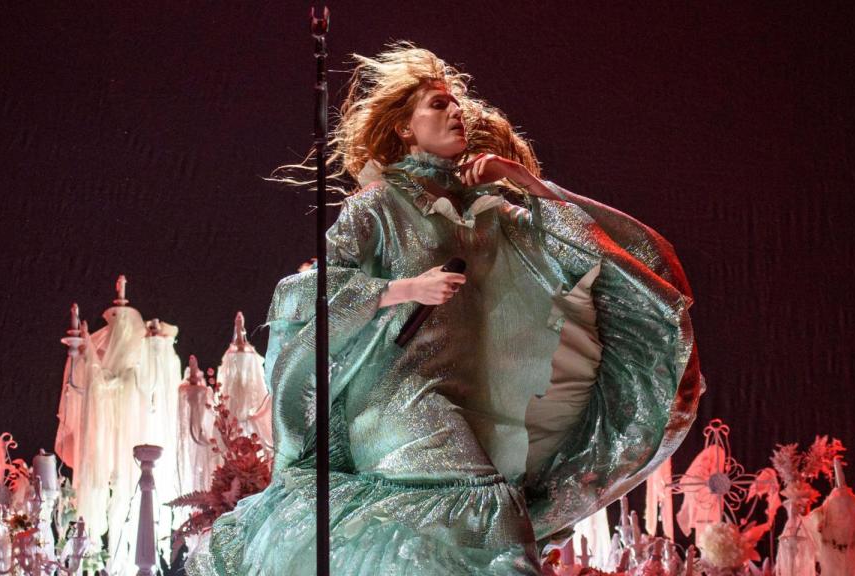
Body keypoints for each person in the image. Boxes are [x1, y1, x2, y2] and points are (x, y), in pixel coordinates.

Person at [186, 42, 702, 575]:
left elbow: (611, 251)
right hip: (396, 403)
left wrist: (523, 181)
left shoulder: (488, 212)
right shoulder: (379, 205)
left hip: (469, 404)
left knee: (451, 546)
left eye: (458, 104)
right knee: (488, 516)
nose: (456, 111)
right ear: (406, 129)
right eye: (437, 104)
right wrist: (403, 289)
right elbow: (300, 295)